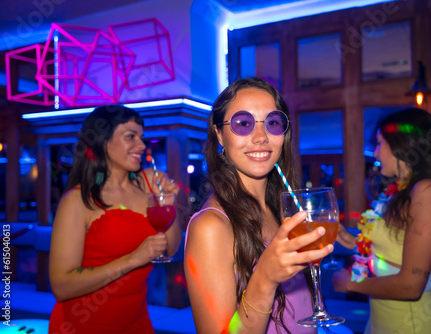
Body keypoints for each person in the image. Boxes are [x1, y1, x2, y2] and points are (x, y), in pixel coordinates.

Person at [184, 77, 333, 333]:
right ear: (219, 134)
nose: (261, 137)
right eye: (243, 124)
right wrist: (264, 278)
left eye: (273, 123)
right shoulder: (210, 226)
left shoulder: (283, 209)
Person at [333, 108, 431, 334]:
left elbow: (411, 286)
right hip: (381, 323)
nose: (376, 153)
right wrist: (347, 238)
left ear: (402, 144)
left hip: (412, 326)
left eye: (380, 143)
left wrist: (350, 283)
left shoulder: (428, 192)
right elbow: (393, 249)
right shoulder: (399, 190)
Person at [48, 104, 182, 333]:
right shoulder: (77, 200)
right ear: (102, 141)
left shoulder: (152, 182)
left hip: (137, 322)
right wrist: (132, 259)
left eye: (141, 137)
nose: (141, 145)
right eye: (130, 136)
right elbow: (61, 286)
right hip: (83, 325)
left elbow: (171, 249)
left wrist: (168, 207)